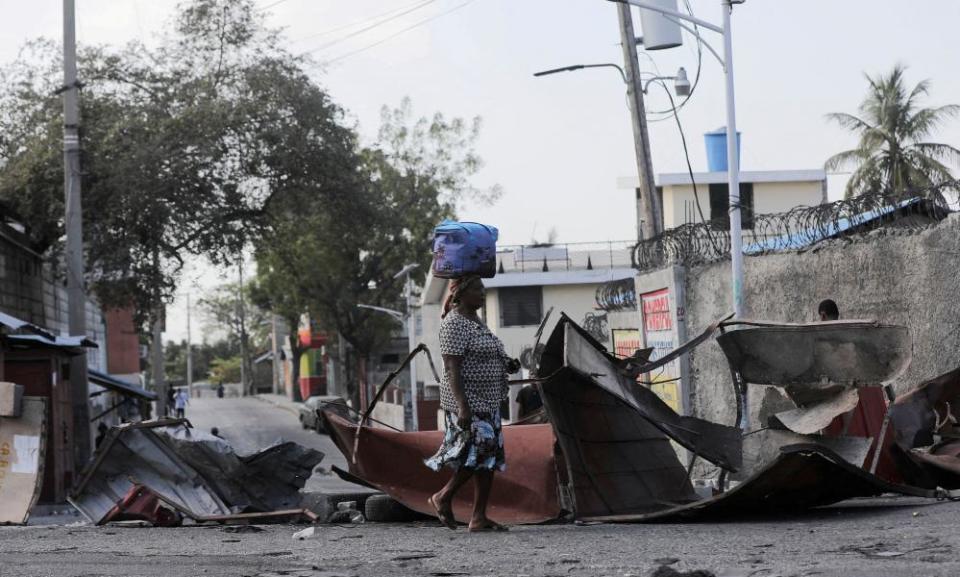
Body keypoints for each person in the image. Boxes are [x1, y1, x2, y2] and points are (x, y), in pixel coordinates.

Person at [425, 275, 520, 532]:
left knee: (488, 459)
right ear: (461, 293)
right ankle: (443, 496)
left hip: (488, 400)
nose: (482, 292)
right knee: (480, 452)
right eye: (477, 289)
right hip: (468, 402)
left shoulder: (476, 321)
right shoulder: (454, 324)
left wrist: (506, 363)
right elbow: (452, 367)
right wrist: (462, 405)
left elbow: (486, 351)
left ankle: (478, 517)